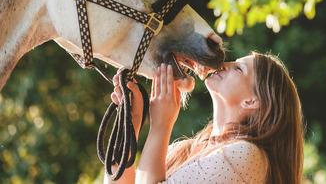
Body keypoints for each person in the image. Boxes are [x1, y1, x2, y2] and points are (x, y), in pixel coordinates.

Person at [106, 51, 304, 183]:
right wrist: (131, 118)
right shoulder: (181, 150)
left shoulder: (245, 155)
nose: (223, 64)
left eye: (238, 68)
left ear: (252, 101)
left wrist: (161, 125)